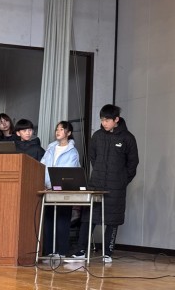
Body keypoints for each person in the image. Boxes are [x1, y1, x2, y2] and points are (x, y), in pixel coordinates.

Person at [69, 104, 139, 263]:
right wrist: (100, 173)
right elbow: (93, 157)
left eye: (107, 120)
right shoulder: (97, 136)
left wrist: (122, 180)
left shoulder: (127, 138)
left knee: (112, 220)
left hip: (116, 187)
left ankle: (107, 252)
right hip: (96, 184)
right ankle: (81, 251)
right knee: (88, 218)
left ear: (116, 119)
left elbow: (132, 164)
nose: (104, 123)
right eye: (102, 120)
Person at [40, 121, 80, 257]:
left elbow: (70, 171)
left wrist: (59, 184)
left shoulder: (72, 151)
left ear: (69, 133)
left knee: (62, 220)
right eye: (57, 129)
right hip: (48, 189)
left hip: (64, 190)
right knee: (49, 220)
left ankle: (61, 251)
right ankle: (49, 251)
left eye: (62, 129)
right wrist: (44, 182)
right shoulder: (51, 148)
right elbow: (42, 166)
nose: (58, 132)